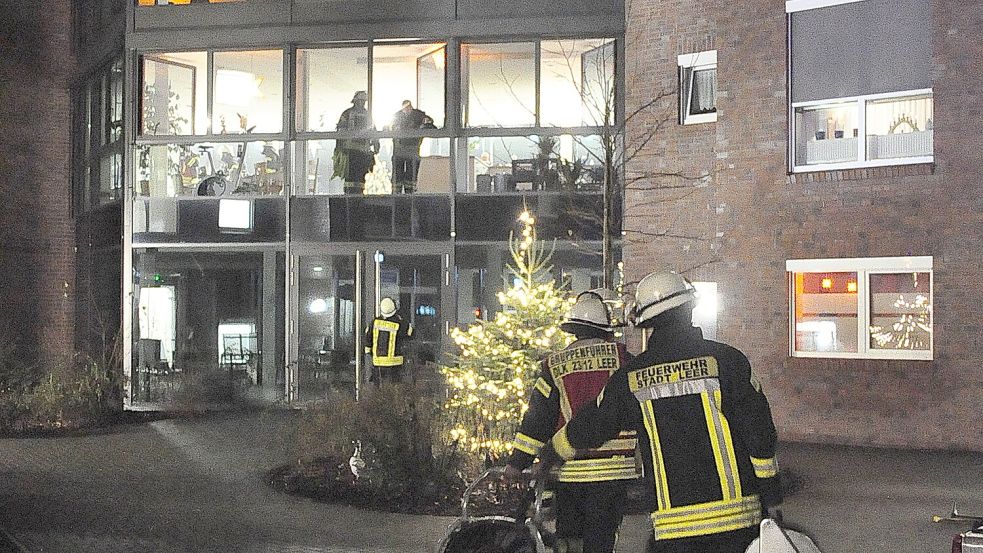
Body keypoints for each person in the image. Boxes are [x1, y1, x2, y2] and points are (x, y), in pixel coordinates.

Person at [536, 270, 783, 553]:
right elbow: (760, 435)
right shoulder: (728, 361)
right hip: (739, 521)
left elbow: (592, 424)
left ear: (646, 323)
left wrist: (551, 453)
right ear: (690, 308)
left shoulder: (630, 377)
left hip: (674, 529)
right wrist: (772, 495)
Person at [504, 290, 637, 553]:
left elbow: (537, 421)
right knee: (600, 541)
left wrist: (517, 463)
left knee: (569, 542)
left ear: (573, 329)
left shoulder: (555, 365)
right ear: (605, 328)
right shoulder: (624, 360)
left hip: (570, 469)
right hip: (615, 471)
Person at [335, 91, 379, 194]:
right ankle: (349, 196)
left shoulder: (368, 115)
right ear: (355, 101)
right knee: (350, 177)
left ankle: (359, 195)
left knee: (361, 177)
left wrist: (376, 144)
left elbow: (373, 130)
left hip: (363, 152)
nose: (362, 103)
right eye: (360, 101)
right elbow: (340, 132)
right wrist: (340, 149)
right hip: (350, 151)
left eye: (363, 101)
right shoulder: (347, 114)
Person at [363, 297, 413, 385]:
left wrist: (369, 352)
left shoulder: (375, 322)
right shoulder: (399, 323)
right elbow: (411, 333)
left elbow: (368, 339)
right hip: (395, 364)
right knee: (394, 390)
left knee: (379, 390)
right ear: (394, 308)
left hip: (378, 363)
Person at [390, 100, 436, 194]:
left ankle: (408, 199)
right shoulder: (397, 117)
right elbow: (389, 129)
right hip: (401, 152)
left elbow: (431, 126)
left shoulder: (418, 116)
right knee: (397, 182)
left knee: (410, 181)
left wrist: (424, 125)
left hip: (412, 152)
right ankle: (397, 199)